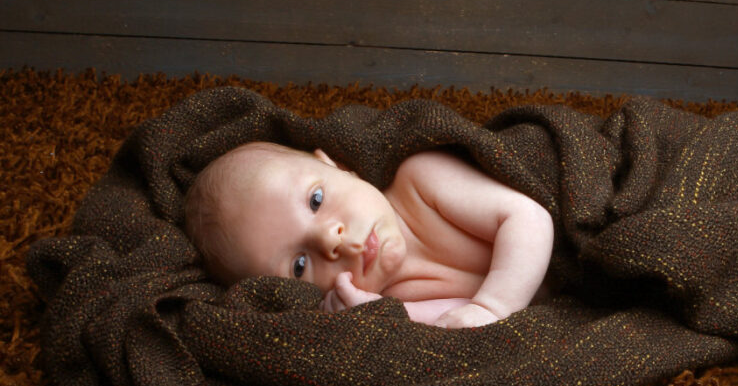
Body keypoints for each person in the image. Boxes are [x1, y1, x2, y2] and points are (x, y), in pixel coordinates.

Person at [183, 141, 554, 328]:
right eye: (299, 264)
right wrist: (377, 315)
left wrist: (495, 306)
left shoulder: (421, 184)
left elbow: (528, 219)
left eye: (315, 200)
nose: (331, 239)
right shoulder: (386, 298)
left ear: (338, 167)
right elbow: (460, 322)